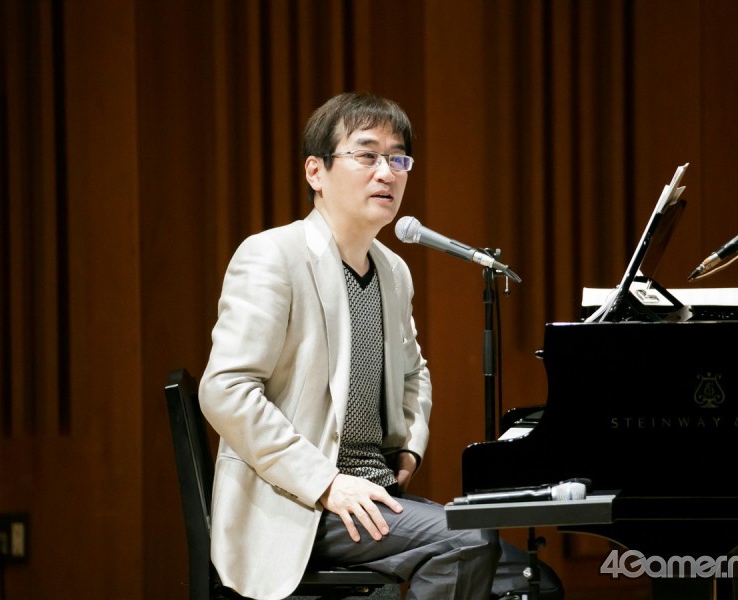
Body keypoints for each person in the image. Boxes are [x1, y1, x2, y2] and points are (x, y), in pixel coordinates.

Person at [199, 91, 562, 600]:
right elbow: (226, 389)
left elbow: (415, 373)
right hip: (298, 502)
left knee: (535, 583)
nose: (386, 173)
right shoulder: (272, 256)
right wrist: (326, 482)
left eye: (397, 159)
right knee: (466, 542)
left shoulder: (392, 270)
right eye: (366, 155)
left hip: (374, 493)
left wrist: (409, 446)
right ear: (316, 172)